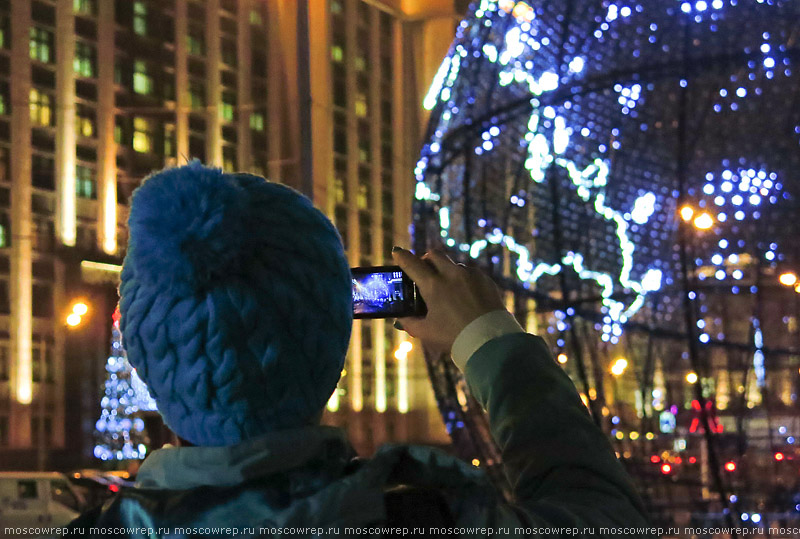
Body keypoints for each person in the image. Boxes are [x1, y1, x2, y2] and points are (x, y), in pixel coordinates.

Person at [65, 163, 652, 538]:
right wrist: (487, 337)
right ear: (331, 342)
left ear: (143, 351)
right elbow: (605, 517)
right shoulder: (428, 518)